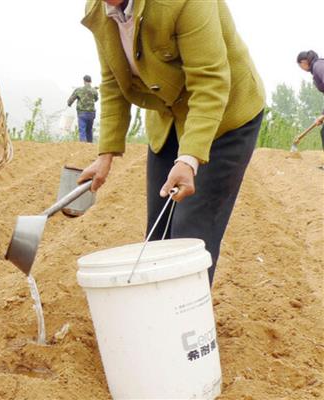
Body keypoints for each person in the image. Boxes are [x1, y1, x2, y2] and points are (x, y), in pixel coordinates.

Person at [78, 0, 266, 286]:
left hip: (225, 115)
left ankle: (188, 325)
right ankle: (158, 319)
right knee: (159, 237)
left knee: (190, 233)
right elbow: (114, 81)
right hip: (169, 117)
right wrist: (106, 154)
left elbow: (210, 82)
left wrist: (188, 159)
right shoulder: (99, 10)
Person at [296, 50, 324, 152]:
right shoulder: (318, 66)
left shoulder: (318, 66)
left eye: (300, 66)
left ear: (303, 62)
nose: (301, 69)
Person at [68, 75, 99, 143]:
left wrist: (69, 104)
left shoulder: (79, 90)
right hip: (91, 113)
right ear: (90, 81)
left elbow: (71, 100)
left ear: (84, 81)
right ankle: (89, 146)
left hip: (82, 113)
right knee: (89, 130)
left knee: (82, 129)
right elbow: (96, 99)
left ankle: (83, 146)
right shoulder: (94, 90)